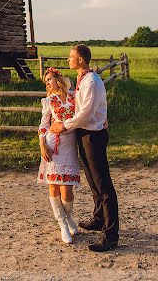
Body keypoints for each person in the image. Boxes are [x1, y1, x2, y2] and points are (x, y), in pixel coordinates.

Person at [50, 44, 119, 252]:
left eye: (71, 56)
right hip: (86, 133)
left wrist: (64, 125)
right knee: (92, 180)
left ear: (80, 60)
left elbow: (86, 115)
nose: (68, 60)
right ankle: (98, 218)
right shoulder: (82, 80)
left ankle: (111, 235)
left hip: (94, 135)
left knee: (103, 184)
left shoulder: (90, 81)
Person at [37, 67, 80, 245]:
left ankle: (68, 217)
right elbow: (44, 124)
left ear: (58, 79)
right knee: (54, 185)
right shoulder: (49, 101)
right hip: (52, 144)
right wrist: (42, 145)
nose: (48, 83)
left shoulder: (74, 97)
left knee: (67, 188)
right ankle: (63, 224)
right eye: (46, 81)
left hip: (69, 145)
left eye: (49, 79)